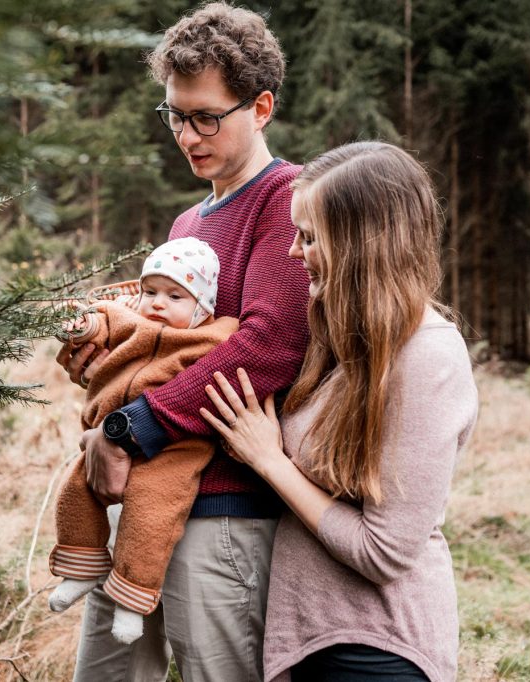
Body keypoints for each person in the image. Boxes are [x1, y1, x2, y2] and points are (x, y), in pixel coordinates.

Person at [55, 4, 310, 681]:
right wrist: (101, 349)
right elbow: (163, 341)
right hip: (137, 501)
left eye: (205, 117)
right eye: (174, 114)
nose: (186, 135)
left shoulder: (290, 198)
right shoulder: (188, 220)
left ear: (260, 107)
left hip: (223, 511)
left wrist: (130, 425)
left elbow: (268, 346)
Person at [201, 141, 479, 682]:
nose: (292, 252)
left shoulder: (429, 357)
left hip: (377, 650)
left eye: (308, 237)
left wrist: (270, 461)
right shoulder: (340, 342)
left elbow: (384, 552)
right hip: (318, 640)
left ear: (361, 244)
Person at [48, 238, 236, 644]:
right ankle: (81, 566)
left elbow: (242, 352)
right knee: (76, 491)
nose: (157, 303)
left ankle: (133, 598)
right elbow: (103, 316)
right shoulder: (134, 321)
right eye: (150, 291)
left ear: (202, 307)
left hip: (175, 449)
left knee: (151, 514)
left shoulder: (209, 338)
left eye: (174, 296)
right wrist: (83, 326)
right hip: (108, 434)